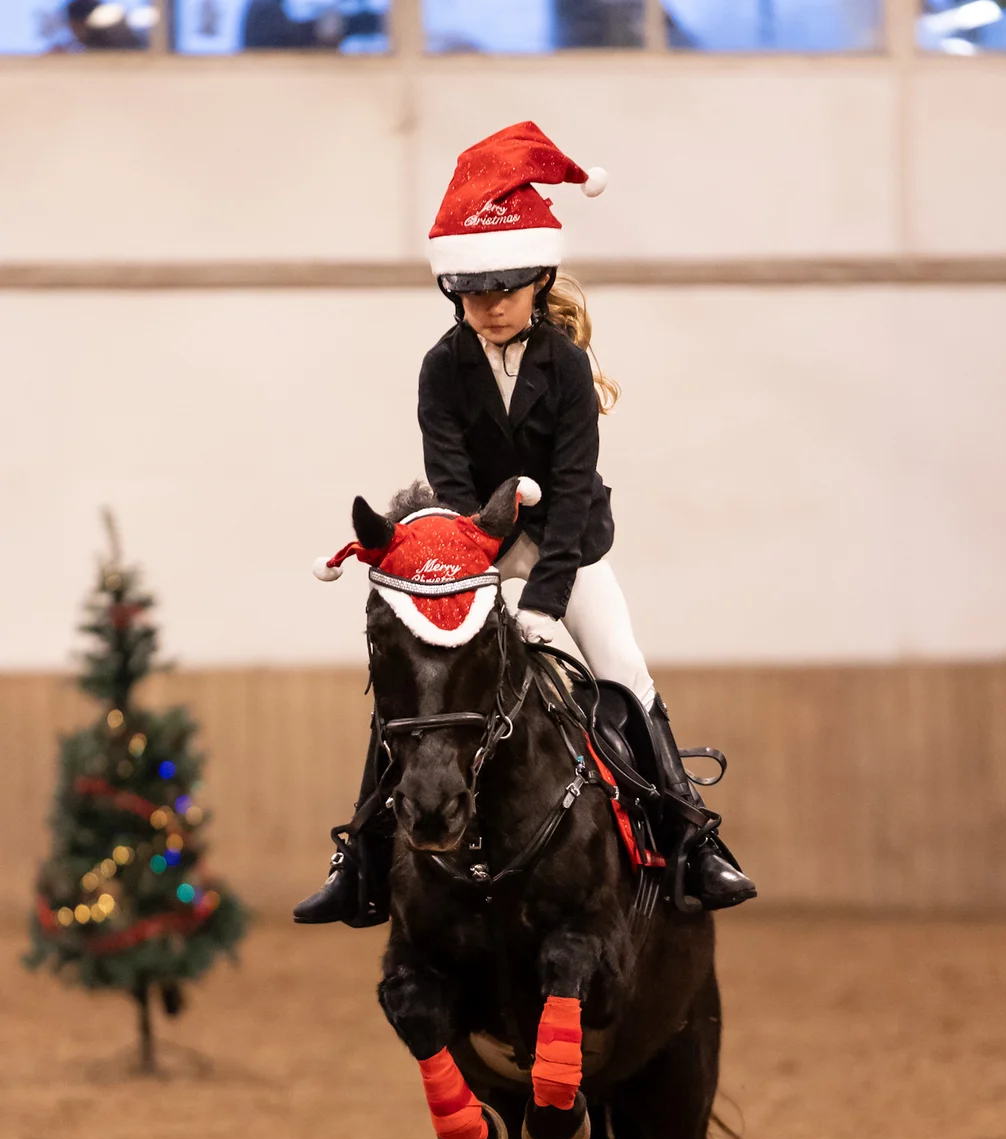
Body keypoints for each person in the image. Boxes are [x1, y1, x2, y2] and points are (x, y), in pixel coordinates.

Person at [295, 121, 755, 928]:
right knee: (418, 688)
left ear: (539, 280)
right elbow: (452, 482)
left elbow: (571, 490)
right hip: (476, 552)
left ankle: (692, 837)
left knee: (624, 671)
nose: (492, 306)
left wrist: (542, 599)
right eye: (475, 293)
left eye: (506, 289)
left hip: (569, 552)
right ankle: (359, 859)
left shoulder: (566, 366)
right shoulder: (442, 368)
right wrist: (482, 571)